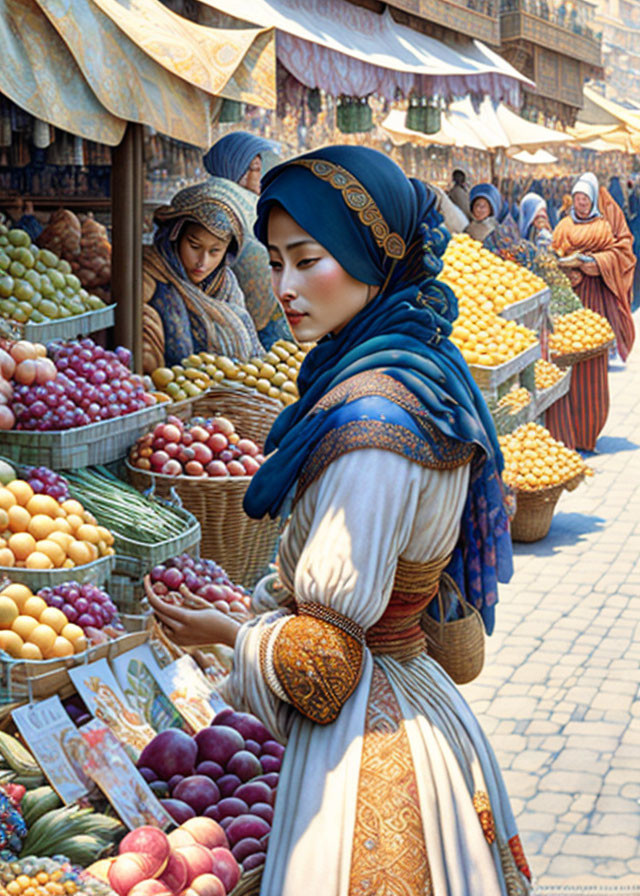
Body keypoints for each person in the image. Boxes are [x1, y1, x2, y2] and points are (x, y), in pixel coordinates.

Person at [147, 146, 532, 895]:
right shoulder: (420, 366)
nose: (285, 288)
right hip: (410, 698)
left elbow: (324, 668)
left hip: (375, 743)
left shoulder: (372, 423)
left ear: (366, 258)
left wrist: (226, 633)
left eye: (307, 260)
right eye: (277, 263)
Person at [142, 180, 263, 374]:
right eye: (194, 246)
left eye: (215, 251)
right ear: (175, 237)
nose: (202, 262)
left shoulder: (227, 285)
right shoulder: (153, 274)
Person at [552, 172, 636, 450]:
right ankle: (566, 434)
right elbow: (553, 253)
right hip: (567, 303)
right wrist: (562, 262)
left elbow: (621, 254)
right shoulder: (563, 225)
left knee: (591, 366)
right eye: (577, 198)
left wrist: (596, 262)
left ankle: (589, 432)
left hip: (593, 303)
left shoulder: (603, 225)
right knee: (564, 363)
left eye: (585, 198)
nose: (581, 203)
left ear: (592, 199)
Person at [203, 131, 290, 348]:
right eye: (252, 169)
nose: (258, 177)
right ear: (233, 168)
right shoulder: (218, 196)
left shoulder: (246, 200)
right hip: (240, 310)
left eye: (260, 169)